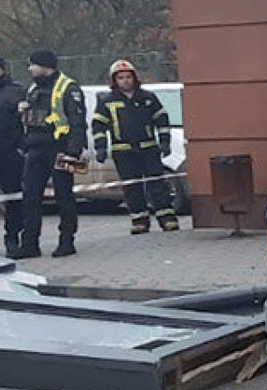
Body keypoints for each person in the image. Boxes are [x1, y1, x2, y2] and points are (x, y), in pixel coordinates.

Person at [11, 49, 86, 259]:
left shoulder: (68, 87)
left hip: (60, 149)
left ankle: (66, 242)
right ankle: (30, 244)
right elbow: (32, 121)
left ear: (45, 65)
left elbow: (78, 123)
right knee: (30, 197)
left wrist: (73, 152)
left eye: (32, 65)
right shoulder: (34, 88)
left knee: (64, 197)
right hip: (36, 149)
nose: (30, 69)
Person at [91, 59, 179, 234]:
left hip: (149, 149)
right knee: (132, 187)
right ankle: (140, 221)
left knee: (157, 184)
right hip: (123, 151)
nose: (125, 81)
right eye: (121, 78)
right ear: (114, 81)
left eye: (128, 77)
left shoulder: (148, 98)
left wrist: (165, 142)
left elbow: (162, 120)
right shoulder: (107, 101)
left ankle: (167, 219)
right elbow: (98, 126)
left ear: (134, 78)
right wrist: (100, 147)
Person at [0, 59, 25, 256]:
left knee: (13, 197)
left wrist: (21, 147)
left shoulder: (15, 91)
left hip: (9, 152)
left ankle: (12, 238)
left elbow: (26, 120)